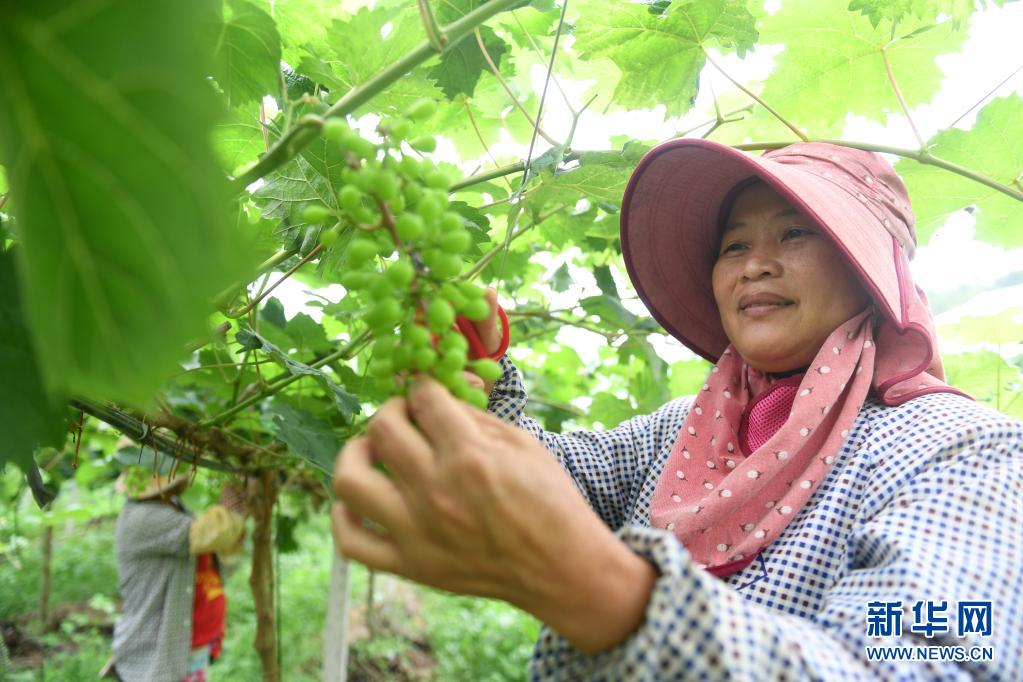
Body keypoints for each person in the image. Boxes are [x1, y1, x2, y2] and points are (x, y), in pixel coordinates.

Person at [329, 140, 1023, 680]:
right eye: (732, 245)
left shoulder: (962, 452)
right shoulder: (684, 431)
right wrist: (473, 384)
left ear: (871, 273)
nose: (754, 264)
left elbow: (938, 659)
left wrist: (613, 599)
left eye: (792, 235)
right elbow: (552, 475)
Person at [109, 456, 246, 682]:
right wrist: (230, 510)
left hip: (186, 652)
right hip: (155, 660)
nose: (186, 476)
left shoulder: (171, 505)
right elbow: (206, 533)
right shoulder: (142, 517)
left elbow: (214, 546)